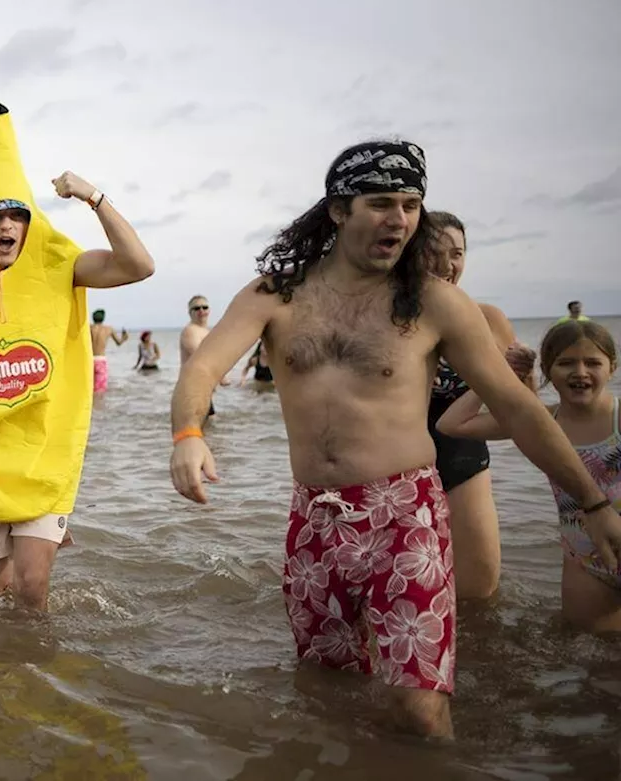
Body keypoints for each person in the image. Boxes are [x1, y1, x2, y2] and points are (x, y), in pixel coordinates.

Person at [167, 139, 621, 739]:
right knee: (327, 685)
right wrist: (189, 434)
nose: (400, 220)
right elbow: (203, 368)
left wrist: (592, 504)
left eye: (411, 205)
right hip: (315, 517)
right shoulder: (274, 296)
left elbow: (518, 407)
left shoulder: (435, 303)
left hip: (405, 514)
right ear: (338, 211)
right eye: (381, 203)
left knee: (418, 706)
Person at [0, 102, 154, 611]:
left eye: (16, 215)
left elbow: (138, 265)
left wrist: (94, 197)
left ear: (29, 223)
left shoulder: (60, 267)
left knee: (31, 590)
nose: (7, 226)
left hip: (44, 457)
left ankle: (36, 679)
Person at [439, 321, 620, 633]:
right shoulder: (541, 424)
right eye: (565, 363)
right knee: (593, 662)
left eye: (593, 362)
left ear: (612, 368)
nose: (580, 372)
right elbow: (452, 424)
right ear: (548, 370)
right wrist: (502, 373)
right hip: (584, 562)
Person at [424, 210, 517, 600]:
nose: (447, 265)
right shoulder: (390, 318)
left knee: (479, 596)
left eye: (457, 253)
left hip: (464, 461)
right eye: (433, 252)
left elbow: (515, 404)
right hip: (395, 467)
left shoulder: (488, 319)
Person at [179, 295, 230, 420]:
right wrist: (221, 376)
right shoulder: (190, 331)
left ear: (209, 310)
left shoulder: (206, 331)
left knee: (210, 431)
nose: (201, 311)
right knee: (197, 432)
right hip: (193, 391)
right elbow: (200, 356)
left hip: (203, 391)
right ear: (190, 313)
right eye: (196, 308)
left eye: (204, 307)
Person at [89, 309, 128, 392]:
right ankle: (100, 404)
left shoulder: (89, 327)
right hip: (101, 360)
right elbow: (119, 343)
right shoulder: (109, 329)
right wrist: (124, 337)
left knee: (89, 387)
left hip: (89, 360)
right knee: (100, 389)